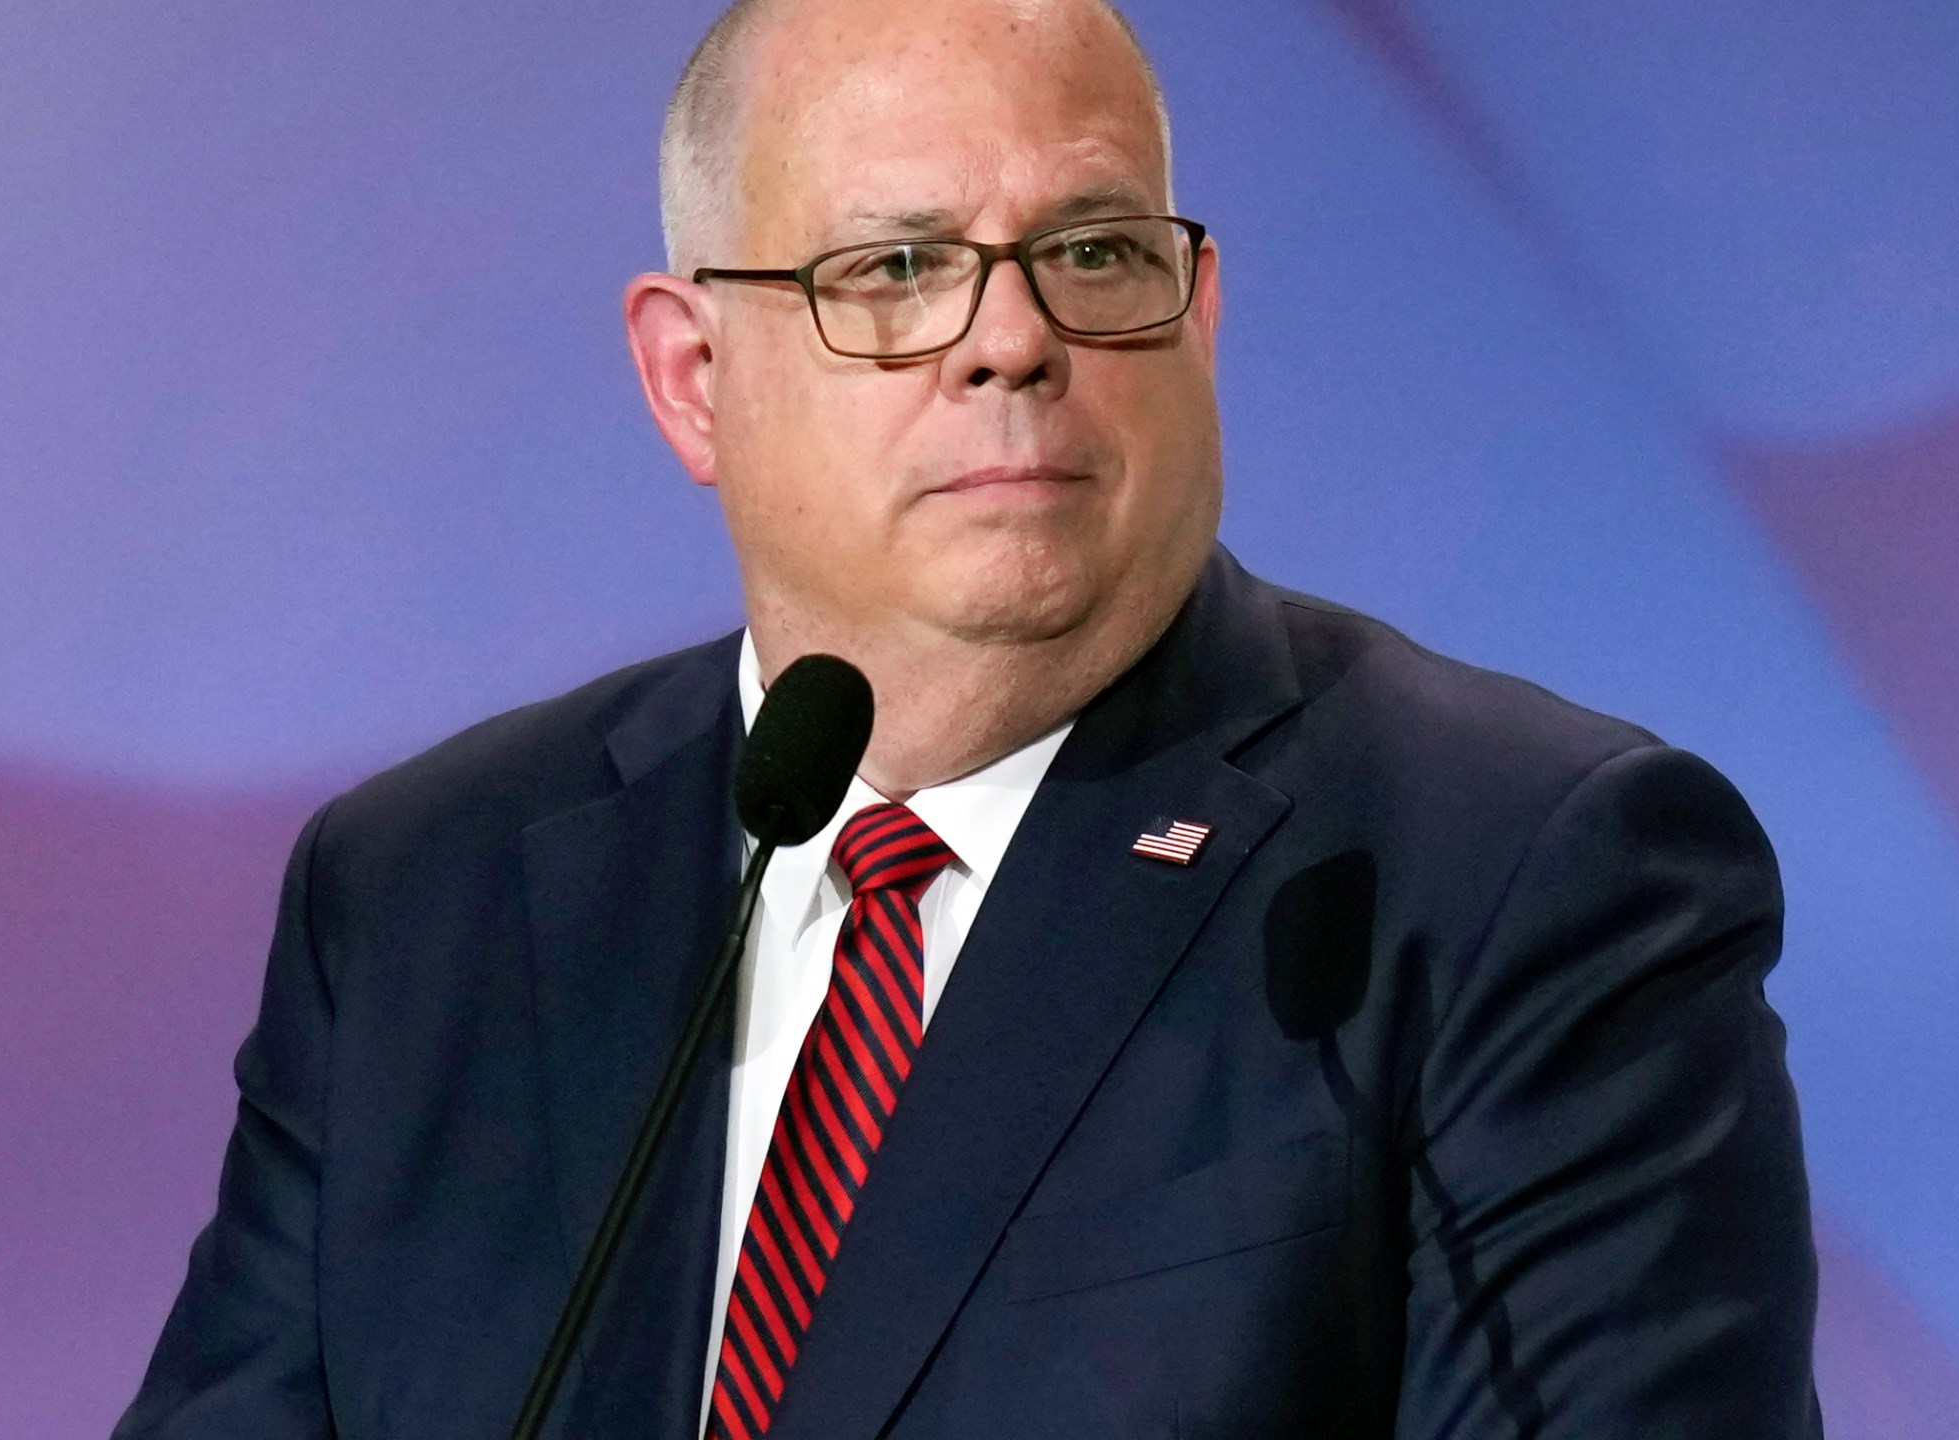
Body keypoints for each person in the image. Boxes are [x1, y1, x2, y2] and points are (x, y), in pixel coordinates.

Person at [115, 0, 1821, 1435]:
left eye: (1091, 251)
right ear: (693, 378)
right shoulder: (428, 892)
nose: (1011, 340)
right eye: (899, 266)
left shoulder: (1521, 875)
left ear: (1197, 314)